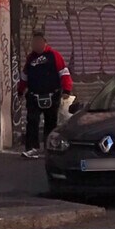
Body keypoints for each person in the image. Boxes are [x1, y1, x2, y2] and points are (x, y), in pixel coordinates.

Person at [18, 24, 74, 156]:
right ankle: (32, 148)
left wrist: (66, 90)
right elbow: (24, 77)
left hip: (51, 95)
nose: (36, 44)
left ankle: (50, 147)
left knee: (51, 122)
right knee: (32, 121)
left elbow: (64, 73)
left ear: (44, 42)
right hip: (33, 96)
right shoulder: (30, 58)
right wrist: (20, 91)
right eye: (34, 42)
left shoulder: (54, 56)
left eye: (39, 41)